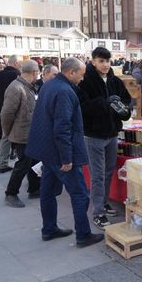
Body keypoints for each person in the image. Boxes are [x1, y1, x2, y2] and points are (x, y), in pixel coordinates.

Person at [26, 58, 104, 248]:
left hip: (47, 150)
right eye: (81, 74)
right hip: (60, 153)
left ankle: (49, 229)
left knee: (48, 192)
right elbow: (63, 127)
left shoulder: (49, 85)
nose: (82, 78)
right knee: (80, 194)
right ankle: (83, 235)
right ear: (71, 73)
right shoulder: (64, 91)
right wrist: (67, 157)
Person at [77, 47, 131, 229]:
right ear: (93, 61)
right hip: (94, 135)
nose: (105, 64)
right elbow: (82, 107)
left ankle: (104, 203)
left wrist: (125, 109)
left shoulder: (115, 80)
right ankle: (98, 212)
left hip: (112, 134)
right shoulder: (86, 81)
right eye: (101, 61)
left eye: (107, 61)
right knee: (97, 175)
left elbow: (127, 100)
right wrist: (104, 103)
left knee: (108, 171)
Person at [1, 60, 41, 208]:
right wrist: (8, 132)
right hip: (21, 135)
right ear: (34, 72)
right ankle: (11, 194)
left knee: (34, 162)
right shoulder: (16, 88)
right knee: (23, 164)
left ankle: (34, 189)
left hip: (30, 134)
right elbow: (6, 114)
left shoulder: (28, 86)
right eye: (38, 72)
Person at [0, 55, 21, 173]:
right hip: (18, 110)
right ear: (16, 63)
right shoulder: (17, 74)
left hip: (3, 109)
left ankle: (3, 163)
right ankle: (22, 161)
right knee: (21, 137)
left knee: (5, 137)